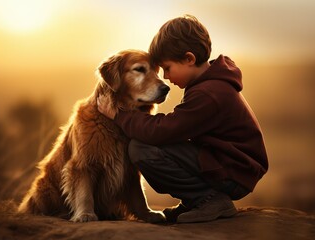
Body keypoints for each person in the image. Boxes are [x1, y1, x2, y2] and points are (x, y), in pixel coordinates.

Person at [97, 14, 268, 223]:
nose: (166, 78)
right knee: (155, 145)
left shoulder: (208, 93)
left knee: (141, 149)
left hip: (233, 172)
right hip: (227, 164)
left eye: (167, 68)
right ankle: (195, 201)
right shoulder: (210, 83)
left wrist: (119, 116)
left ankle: (210, 200)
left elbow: (163, 131)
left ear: (189, 59)